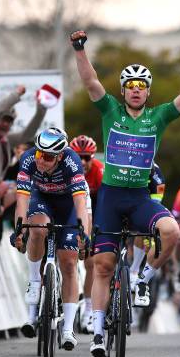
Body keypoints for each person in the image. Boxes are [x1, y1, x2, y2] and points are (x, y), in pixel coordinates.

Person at [70, 29, 180, 357]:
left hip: (140, 197)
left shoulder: (158, 116)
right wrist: (80, 49)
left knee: (169, 231)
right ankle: (97, 332)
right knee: (103, 266)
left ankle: (143, 278)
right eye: (131, 87)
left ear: (147, 92)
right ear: (123, 91)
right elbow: (91, 83)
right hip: (110, 197)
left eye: (141, 87)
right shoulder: (111, 111)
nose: (136, 92)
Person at [10, 127, 90, 350]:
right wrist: (20, 231)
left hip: (68, 206)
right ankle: (35, 280)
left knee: (69, 263)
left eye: (47, 157)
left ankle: (68, 329)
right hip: (41, 199)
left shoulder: (72, 163)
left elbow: (81, 204)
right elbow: (22, 202)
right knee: (36, 228)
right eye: (38, 154)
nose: (41, 160)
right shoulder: (27, 160)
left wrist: (83, 232)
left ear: (60, 156)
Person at [0, 85, 47, 215]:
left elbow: (27, 135)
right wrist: (16, 95)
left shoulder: (6, 140)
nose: (6, 124)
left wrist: (41, 110)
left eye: (10, 121)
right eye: (4, 119)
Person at [70, 134, 104, 332]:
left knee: (90, 262)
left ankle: (89, 310)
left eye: (87, 157)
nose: (82, 162)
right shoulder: (66, 168)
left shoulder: (99, 171)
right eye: (78, 157)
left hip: (96, 212)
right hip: (72, 209)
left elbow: (105, 202)